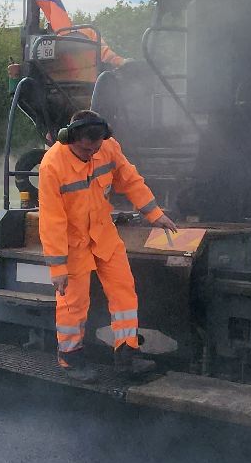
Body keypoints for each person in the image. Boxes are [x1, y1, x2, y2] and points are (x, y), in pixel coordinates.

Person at [37, 109, 178, 381]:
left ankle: (126, 357)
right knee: (73, 303)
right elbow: (51, 221)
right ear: (70, 138)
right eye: (86, 149)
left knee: (124, 294)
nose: (92, 153)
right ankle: (71, 358)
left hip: (104, 236)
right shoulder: (52, 165)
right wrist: (57, 267)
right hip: (72, 244)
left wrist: (154, 214)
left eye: (96, 147)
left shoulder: (108, 148)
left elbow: (130, 180)